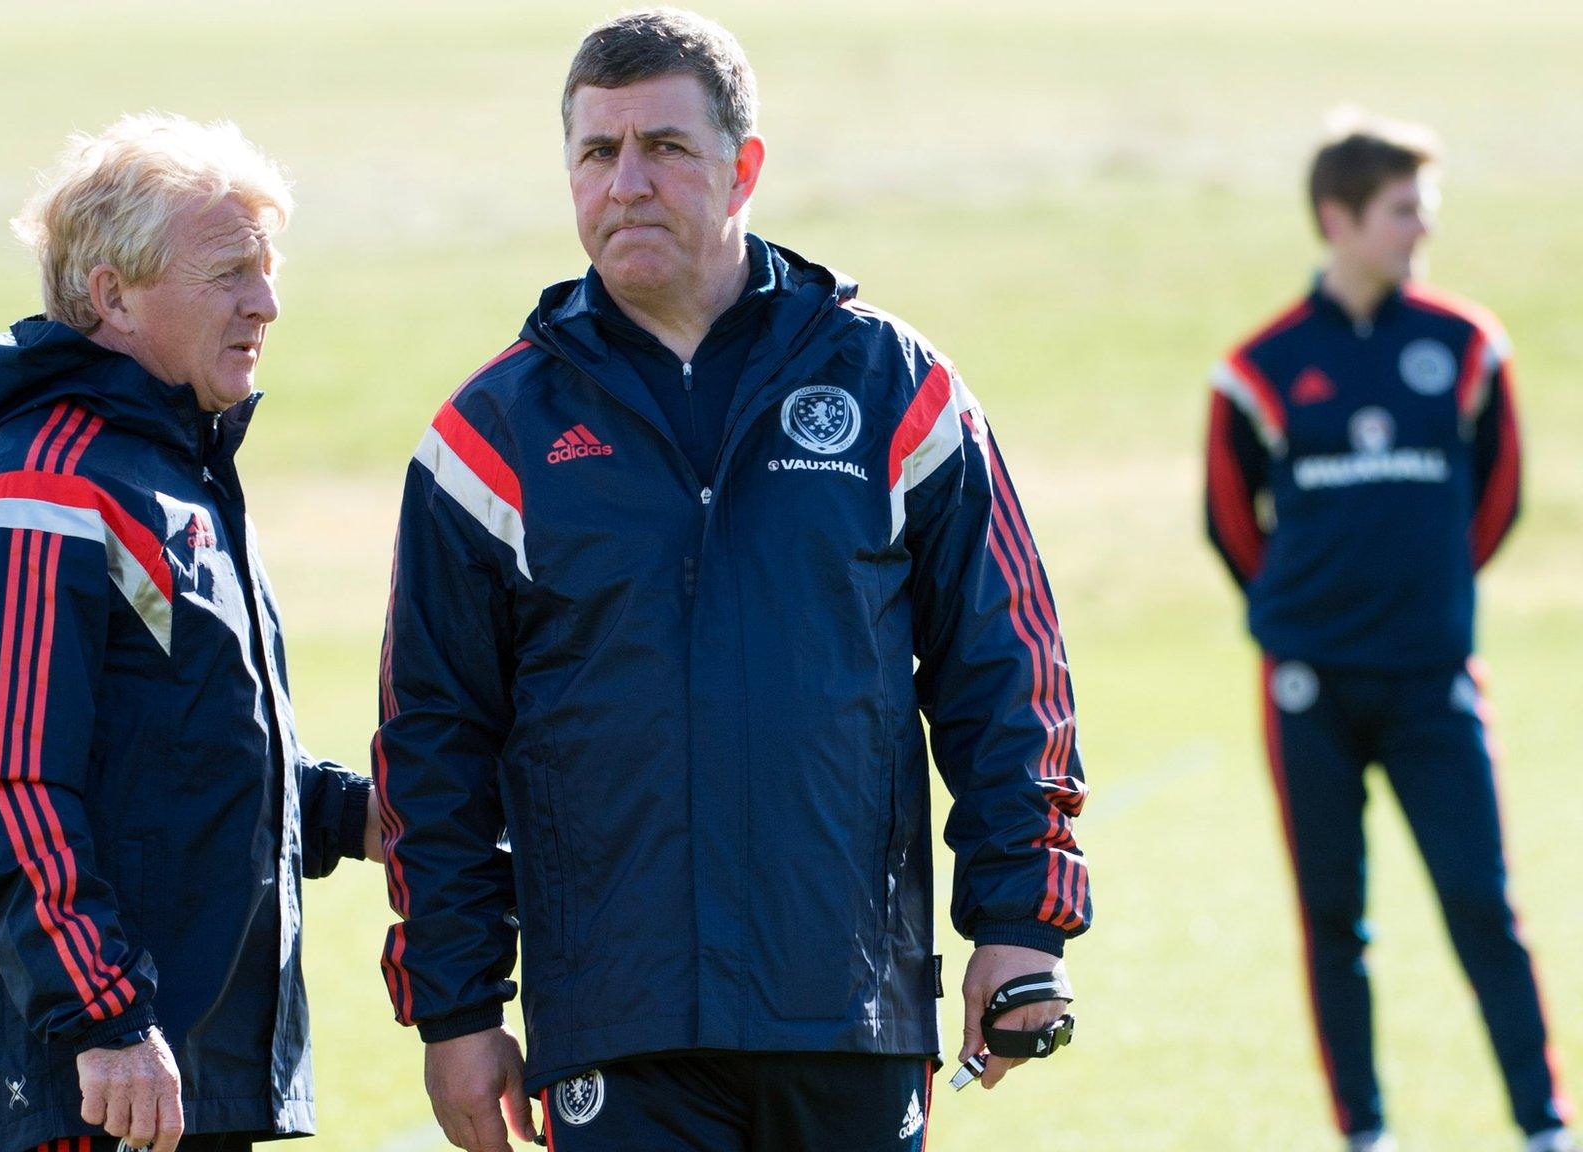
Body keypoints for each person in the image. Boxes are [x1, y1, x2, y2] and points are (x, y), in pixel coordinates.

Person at [372, 11, 1091, 1150]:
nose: (627, 183)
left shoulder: (896, 390)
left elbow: (1006, 677)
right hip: (617, 1024)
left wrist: (1020, 924)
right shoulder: (488, 438)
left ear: (743, 167)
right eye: (596, 154)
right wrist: (455, 1009)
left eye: (664, 147)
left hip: (843, 1012)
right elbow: (432, 743)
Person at [0, 112, 379, 1152]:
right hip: (90, 1094)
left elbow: (179, 755)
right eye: (227, 272)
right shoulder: (47, 486)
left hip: (172, 1083)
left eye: (267, 268)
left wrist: (351, 817)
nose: (265, 301)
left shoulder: (169, 476)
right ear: (110, 295)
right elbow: (6, 780)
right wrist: (104, 1016)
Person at [1204, 112, 1571, 1152]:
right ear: (1337, 218)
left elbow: (1495, 498)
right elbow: (1229, 521)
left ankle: (1542, 1127)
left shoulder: (1464, 346)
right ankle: (1363, 1132)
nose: (1422, 229)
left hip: (1430, 679)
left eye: (1425, 208)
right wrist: (1299, 614)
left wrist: (1427, 595)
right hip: (1307, 686)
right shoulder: (1258, 367)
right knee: (1333, 920)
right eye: (1404, 210)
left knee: (1480, 903)